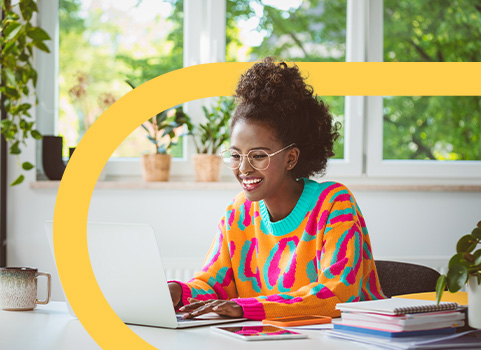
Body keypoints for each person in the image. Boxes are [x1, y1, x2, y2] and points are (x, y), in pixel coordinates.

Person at [168, 57, 385, 320]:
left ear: (291, 158)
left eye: (258, 155)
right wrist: (179, 292)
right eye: (236, 155)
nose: (244, 168)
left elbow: (337, 294)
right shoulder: (239, 213)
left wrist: (248, 308)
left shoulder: (333, 204)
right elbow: (214, 286)